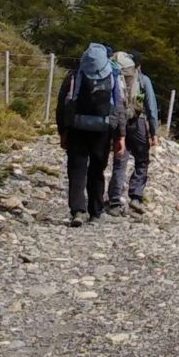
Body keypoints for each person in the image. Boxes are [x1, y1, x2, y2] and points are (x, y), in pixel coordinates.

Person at [54, 43, 125, 226]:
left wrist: (63, 131)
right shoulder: (114, 73)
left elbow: (63, 103)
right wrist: (120, 135)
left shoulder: (76, 73)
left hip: (77, 127)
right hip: (103, 129)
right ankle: (95, 212)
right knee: (97, 170)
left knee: (76, 169)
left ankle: (77, 211)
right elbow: (120, 106)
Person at [106, 50, 161, 215]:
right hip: (138, 123)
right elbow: (151, 107)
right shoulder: (144, 80)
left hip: (118, 123)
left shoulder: (116, 77)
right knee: (142, 160)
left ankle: (114, 201)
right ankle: (136, 197)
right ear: (139, 65)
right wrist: (154, 133)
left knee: (119, 161)